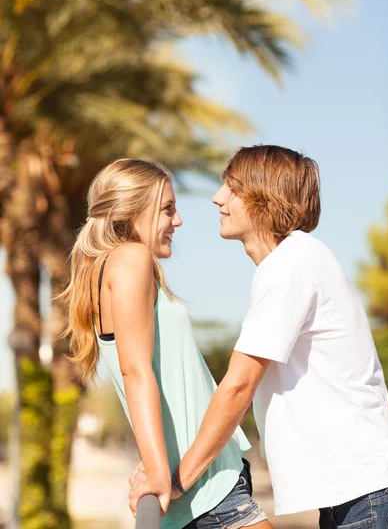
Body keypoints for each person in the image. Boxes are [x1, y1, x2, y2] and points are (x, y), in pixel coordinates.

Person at [130, 145, 388, 529]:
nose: (217, 198)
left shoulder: (292, 263)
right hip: (362, 495)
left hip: (368, 496)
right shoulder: (293, 262)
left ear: (263, 199)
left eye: (232, 189)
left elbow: (239, 385)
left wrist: (177, 479)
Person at [63, 158, 273, 529]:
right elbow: (135, 370)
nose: (177, 221)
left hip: (204, 482)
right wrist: (160, 471)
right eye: (167, 209)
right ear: (133, 211)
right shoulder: (130, 258)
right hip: (208, 491)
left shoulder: (111, 267)